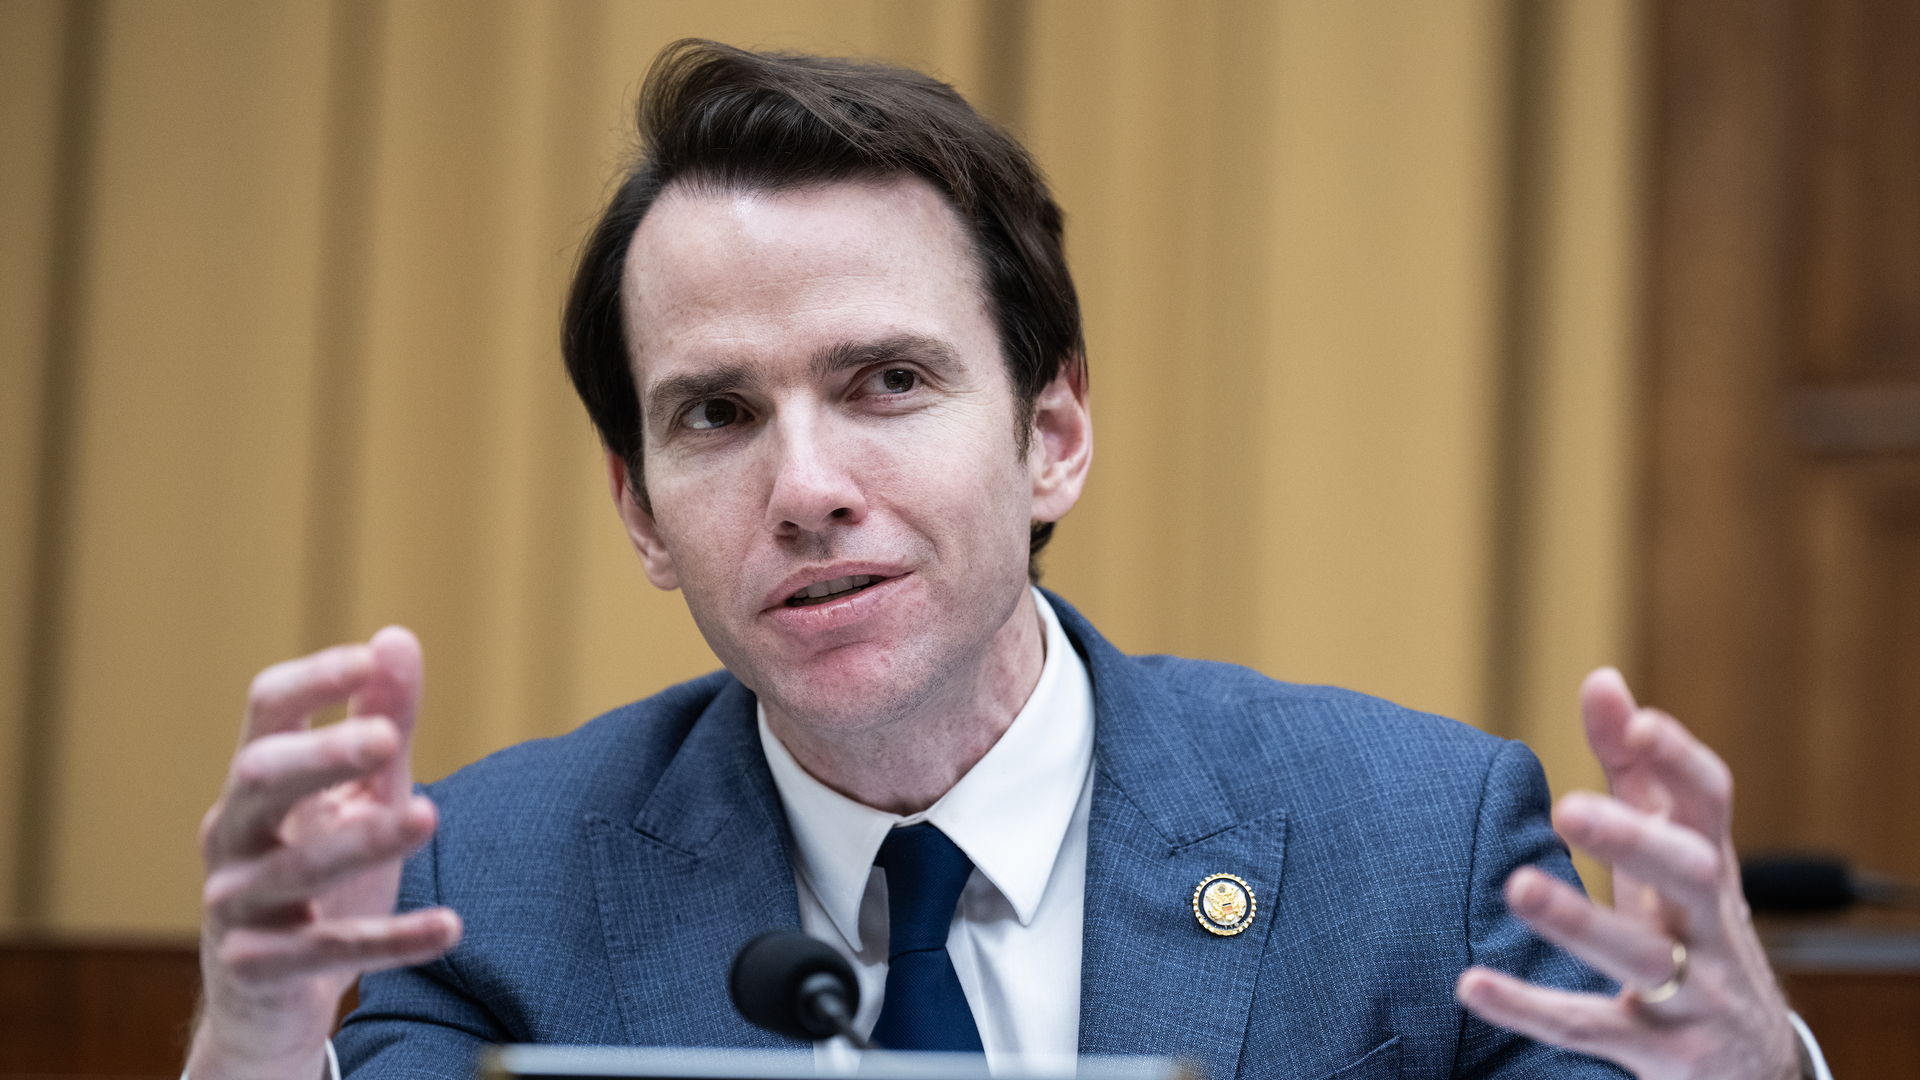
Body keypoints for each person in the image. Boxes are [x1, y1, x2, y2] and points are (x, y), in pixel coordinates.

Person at [185, 42, 1824, 1080]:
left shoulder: (1415, 848)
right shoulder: (487, 886)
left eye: (887, 382)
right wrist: (253, 1044)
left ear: (1052, 435)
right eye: (716, 416)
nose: (808, 486)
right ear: (639, 513)